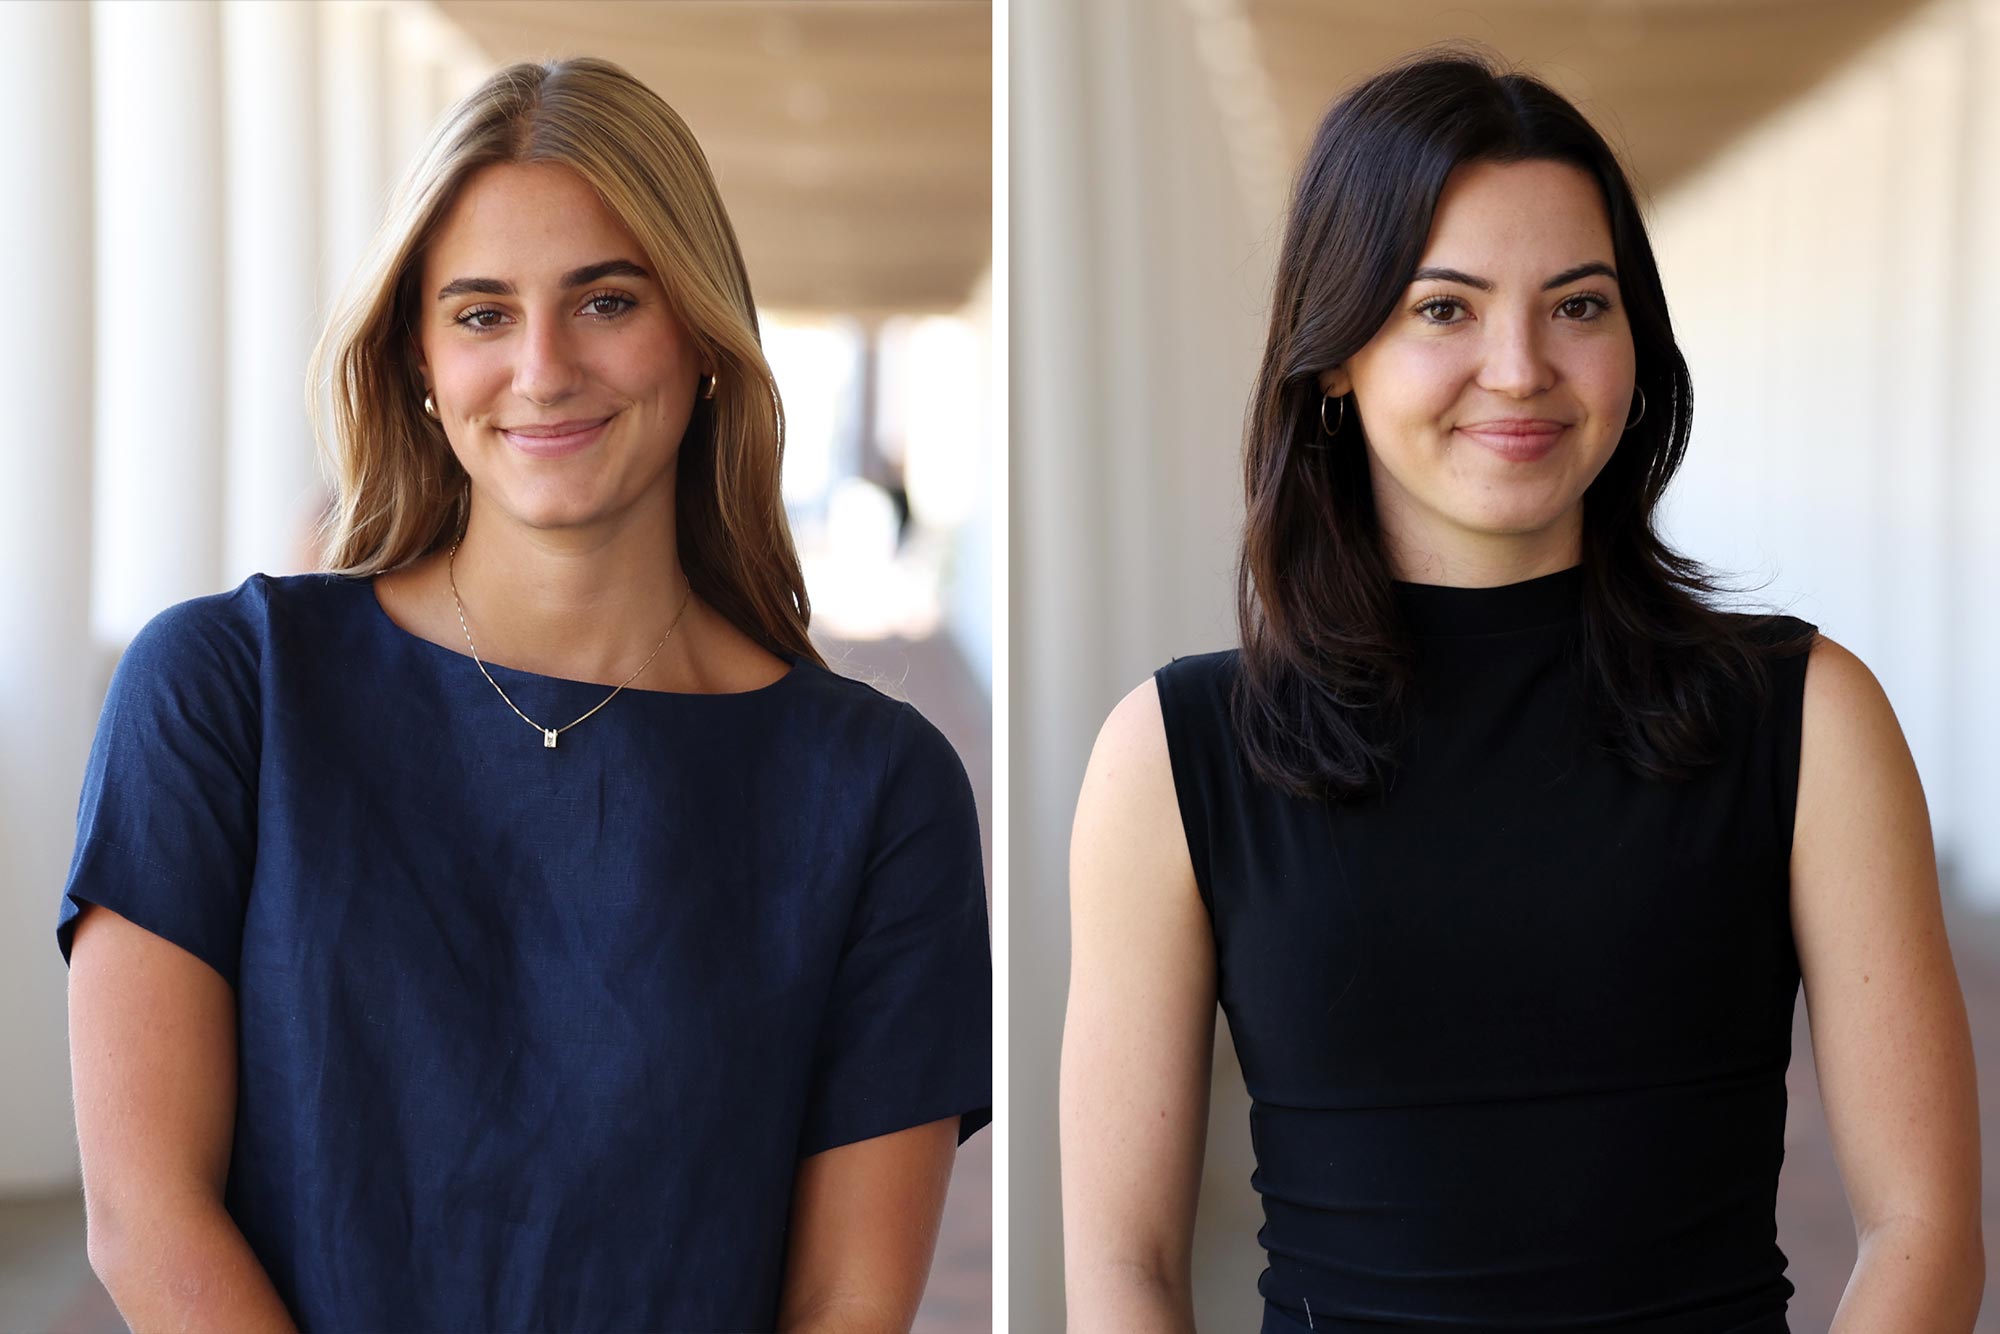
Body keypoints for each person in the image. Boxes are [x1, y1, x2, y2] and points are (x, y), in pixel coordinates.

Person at [59, 56, 990, 1333]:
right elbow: (146, 1217)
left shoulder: (878, 789)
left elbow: (843, 1301)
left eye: (605, 300)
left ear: (702, 336)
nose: (542, 368)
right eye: (482, 313)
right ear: (418, 360)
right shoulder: (227, 690)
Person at [1060, 49, 1982, 1332]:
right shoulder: (1174, 754)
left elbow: (1922, 1226)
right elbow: (1122, 1268)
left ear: (1632, 343)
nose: (1518, 366)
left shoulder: (1807, 717)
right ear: (1335, 355)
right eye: (1443, 308)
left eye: (1577, 304)